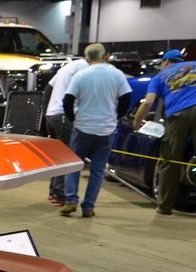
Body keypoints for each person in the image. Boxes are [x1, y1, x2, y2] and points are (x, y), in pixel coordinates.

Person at [59, 43, 131, 218]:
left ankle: (70, 200)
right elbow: (126, 97)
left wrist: (73, 118)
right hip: (106, 129)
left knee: (74, 166)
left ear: (86, 58)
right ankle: (88, 207)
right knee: (97, 170)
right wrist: (116, 116)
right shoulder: (117, 74)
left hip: (83, 126)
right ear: (105, 55)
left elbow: (67, 100)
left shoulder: (81, 75)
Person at [131, 49, 196, 215]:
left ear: (165, 62)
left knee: (169, 161)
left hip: (177, 116)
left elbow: (148, 102)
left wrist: (136, 123)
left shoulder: (159, 77)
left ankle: (164, 206)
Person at [43, 56, 89, 204]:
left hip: (52, 116)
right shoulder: (84, 68)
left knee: (57, 156)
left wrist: (47, 112)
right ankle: (59, 193)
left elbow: (48, 88)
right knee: (66, 156)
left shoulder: (69, 66)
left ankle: (54, 192)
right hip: (64, 116)